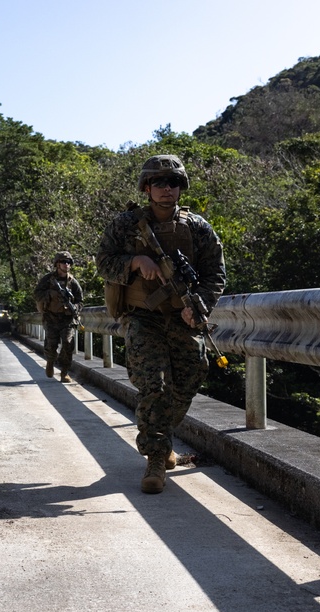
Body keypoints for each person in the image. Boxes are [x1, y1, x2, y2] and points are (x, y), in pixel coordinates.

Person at [96, 155, 225, 494]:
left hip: (182, 317)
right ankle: (155, 458)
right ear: (147, 187)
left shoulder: (197, 227)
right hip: (142, 317)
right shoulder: (126, 225)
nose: (168, 189)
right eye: (160, 183)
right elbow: (103, 262)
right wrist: (135, 262)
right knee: (154, 386)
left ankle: (162, 439)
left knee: (192, 374)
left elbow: (215, 274)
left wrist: (199, 306)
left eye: (174, 183)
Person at [33, 251, 83, 382]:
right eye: (63, 262)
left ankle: (64, 372)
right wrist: (50, 294)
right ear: (57, 264)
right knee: (51, 344)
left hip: (67, 319)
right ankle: (50, 362)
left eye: (68, 262)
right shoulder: (48, 280)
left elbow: (80, 300)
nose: (66, 265)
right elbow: (37, 294)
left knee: (68, 344)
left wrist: (75, 308)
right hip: (51, 317)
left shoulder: (73, 282)